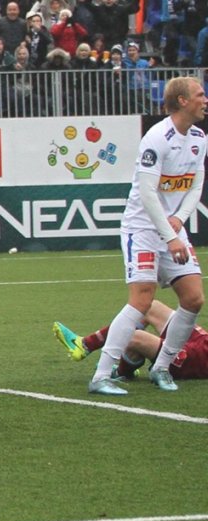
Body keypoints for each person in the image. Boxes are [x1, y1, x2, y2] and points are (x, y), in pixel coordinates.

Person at [87, 76, 207, 396]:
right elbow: (148, 193)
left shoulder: (198, 137)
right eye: (200, 94)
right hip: (142, 228)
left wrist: (179, 221)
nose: (205, 99)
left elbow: (196, 185)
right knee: (141, 302)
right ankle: (100, 376)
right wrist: (170, 236)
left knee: (193, 298)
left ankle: (162, 367)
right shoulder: (157, 138)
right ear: (182, 101)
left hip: (171, 229)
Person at [53, 300, 208, 382]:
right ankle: (86, 344)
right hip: (203, 341)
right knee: (148, 307)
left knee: (133, 336)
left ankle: (121, 372)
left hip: (200, 358)